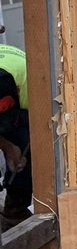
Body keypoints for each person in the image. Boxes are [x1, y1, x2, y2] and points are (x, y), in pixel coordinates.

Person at [0, 44, 31, 229]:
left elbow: (41, 121)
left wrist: (18, 149)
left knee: (25, 148)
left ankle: (15, 210)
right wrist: (7, 147)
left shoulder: (30, 83)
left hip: (22, 106)